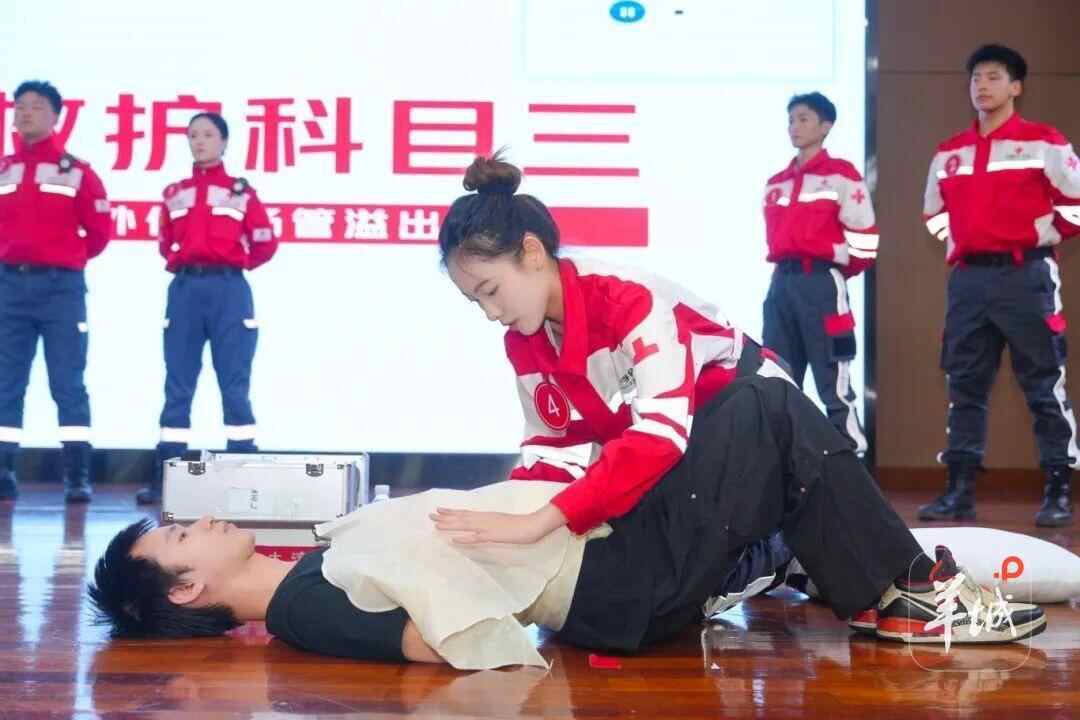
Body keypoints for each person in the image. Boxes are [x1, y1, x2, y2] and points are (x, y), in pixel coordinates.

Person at [88, 374, 1047, 666]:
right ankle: (905, 594)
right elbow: (430, 642)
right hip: (614, 585)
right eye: (177, 536)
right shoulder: (302, 608)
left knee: (732, 417)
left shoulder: (312, 571)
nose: (194, 522)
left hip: (607, 561)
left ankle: (835, 573)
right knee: (763, 407)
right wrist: (517, 615)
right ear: (189, 588)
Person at [428, 152, 791, 547]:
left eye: (492, 290)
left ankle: (774, 552)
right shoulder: (524, 339)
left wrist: (536, 524)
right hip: (679, 459)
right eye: (476, 301)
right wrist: (504, 514)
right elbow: (555, 451)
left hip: (756, 425)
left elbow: (659, 437)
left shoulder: (627, 301)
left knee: (653, 557)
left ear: (532, 253)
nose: (491, 313)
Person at [920, 44, 1080, 526]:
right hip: (968, 281)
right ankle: (959, 491)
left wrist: (1037, 235)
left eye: (993, 77)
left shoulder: (1044, 142)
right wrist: (966, 241)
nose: (982, 86)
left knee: (1043, 384)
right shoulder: (949, 152)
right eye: (976, 78)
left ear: (1016, 87)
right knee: (964, 385)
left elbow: (1075, 206)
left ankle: (1058, 491)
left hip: (1026, 276)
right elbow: (933, 215)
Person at [136, 112, 278, 505]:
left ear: (224, 142)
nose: (199, 141)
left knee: (234, 385)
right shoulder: (175, 193)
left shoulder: (240, 192)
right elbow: (165, 241)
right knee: (177, 385)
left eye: (208, 135)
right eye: (193, 135)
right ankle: (167, 477)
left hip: (229, 291)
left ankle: (243, 477)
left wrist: (232, 264)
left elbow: (265, 242)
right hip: (185, 290)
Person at [0, 80, 111, 503]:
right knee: (6, 381)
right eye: (19, 106)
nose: (25, 112)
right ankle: (4, 470)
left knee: (68, 382)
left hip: (60, 288)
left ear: (55, 116)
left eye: (35, 106)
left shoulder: (76, 172)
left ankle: (76, 475)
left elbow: (99, 233)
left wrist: (64, 257)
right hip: (9, 285)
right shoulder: (4, 169)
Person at [760, 91, 878, 455]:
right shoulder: (776, 182)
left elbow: (865, 241)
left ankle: (851, 459)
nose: (794, 127)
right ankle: (783, 464)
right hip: (781, 285)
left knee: (833, 379)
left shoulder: (842, 176)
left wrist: (833, 273)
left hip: (823, 285)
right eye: (791, 120)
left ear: (826, 126)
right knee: (777, 377)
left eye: (804, 119)